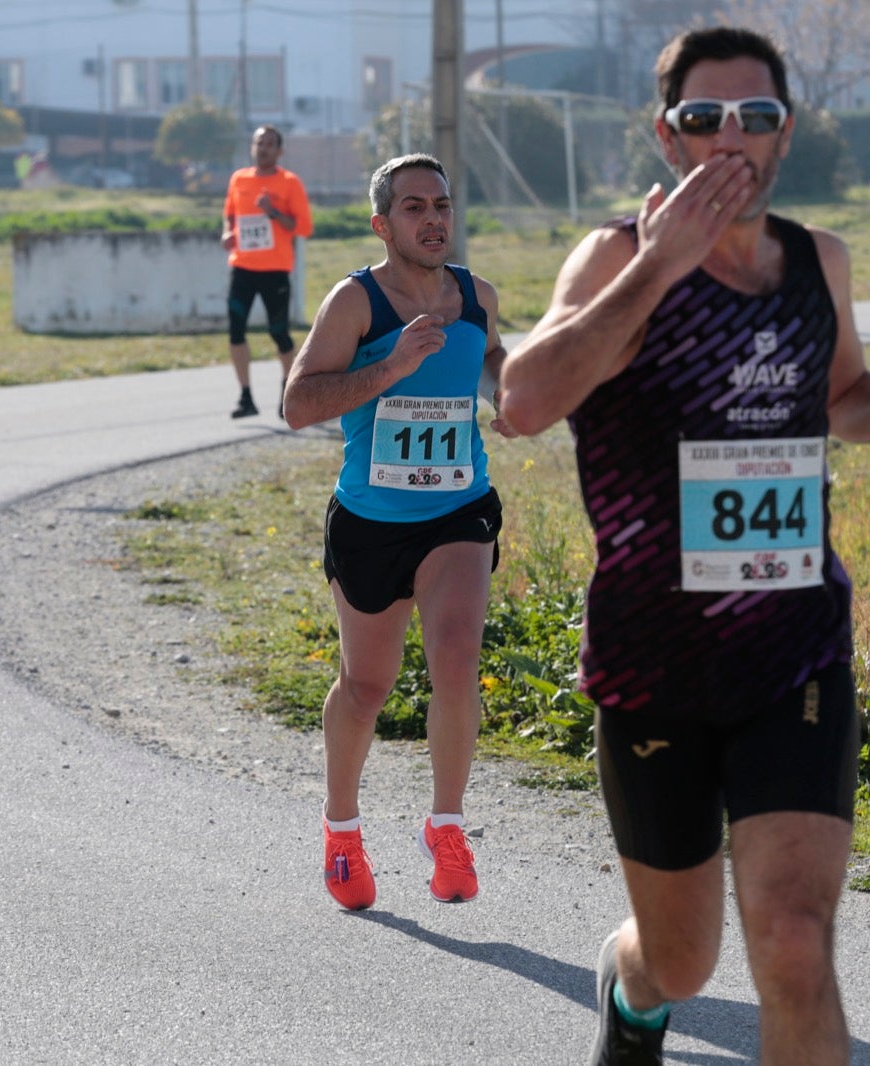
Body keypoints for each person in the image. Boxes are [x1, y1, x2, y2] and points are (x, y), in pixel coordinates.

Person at [498, 27, 870, 1066]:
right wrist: (662, 264)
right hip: (651, 659)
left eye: (754, 118)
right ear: (666, 138)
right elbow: (524, 402)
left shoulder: (815, 261)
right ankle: (632, 994)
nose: (729, 139)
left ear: (784, 133)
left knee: (794, 945)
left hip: (791, 648)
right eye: (703, 119)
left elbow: (839, 396)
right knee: (682, 961)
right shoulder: (617, 256)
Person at [282, 154, 513, 910]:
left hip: (459, 509)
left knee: (456, 656)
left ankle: (446, 827)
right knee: (366, 685)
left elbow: (495, 367)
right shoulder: (355, 303)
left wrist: (510, 397)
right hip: (372, 521)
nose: (433, 218)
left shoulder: (475, 296)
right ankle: (341, 831)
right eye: (414, 207)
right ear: (384, 225)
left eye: (442, 203)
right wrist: (391, 367)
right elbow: (297, 404)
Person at [221, 124, 314, 417]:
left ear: (280, 150)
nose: (263, 148)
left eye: (270, 143)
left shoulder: (289, 182)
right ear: (252, 147)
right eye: (259, 142)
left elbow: (304, 227)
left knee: (279, 334)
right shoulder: (239, 179)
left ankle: (287, 393)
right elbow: (230, 214)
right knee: (235, 331)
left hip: (275, 269)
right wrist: (227, 232)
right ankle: (245, 397)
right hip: (242, 267)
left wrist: (271, 211)